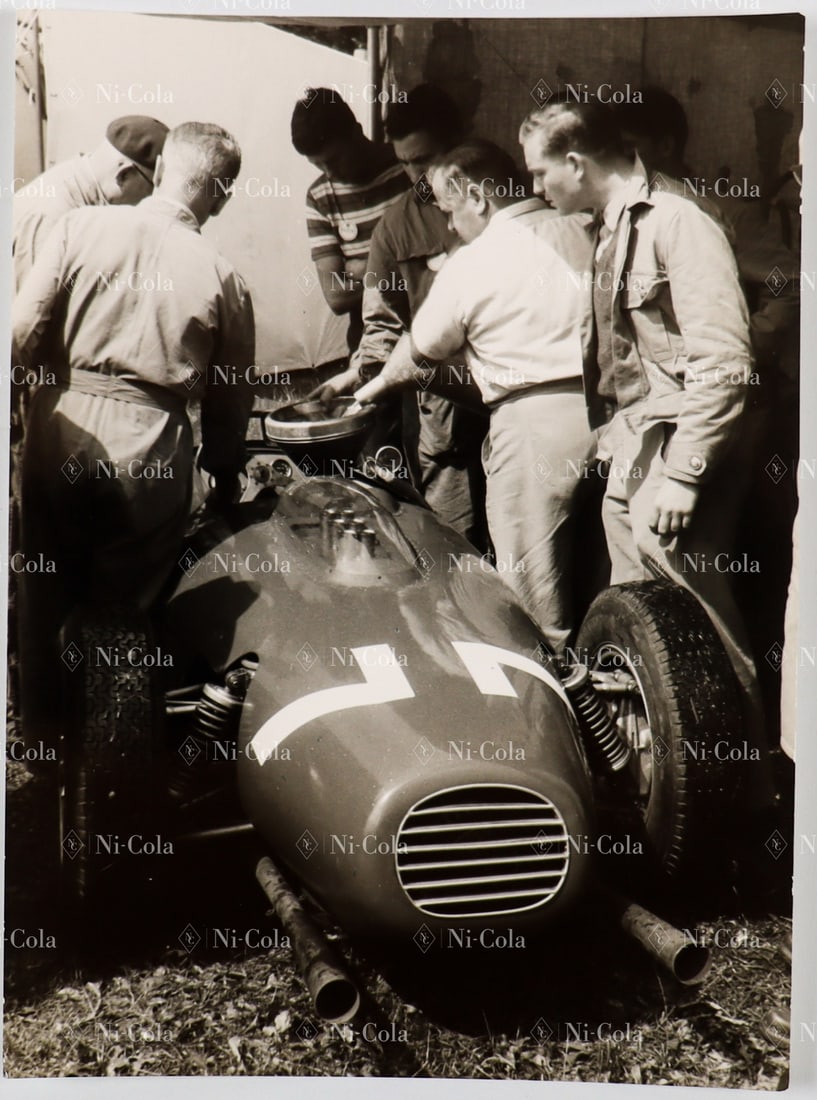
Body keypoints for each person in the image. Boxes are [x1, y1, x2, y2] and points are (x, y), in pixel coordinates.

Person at [519, 99, 771, 786]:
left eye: (540, 171)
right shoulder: (610, 225)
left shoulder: (678, 223)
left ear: (575, 161)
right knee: (644, 629)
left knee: (696, 616)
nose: (536, 187)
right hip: (635, 444)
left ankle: (744, 788)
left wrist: (686, 473)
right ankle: (664, 789)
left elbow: (723, 363)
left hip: (682, 443)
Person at [12, 121, 255, 756]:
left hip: (58, 426)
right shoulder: (224, 275)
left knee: (42, 584)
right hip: (149, 445)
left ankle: (39, 737)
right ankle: (112, 748)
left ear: (163, 168)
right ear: (222, 194)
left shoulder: (77, 227)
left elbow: (23, 328)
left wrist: (32, 403)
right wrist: (224, 469)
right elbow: (231, 398)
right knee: (125, 607)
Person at [353, 140, 596, 654]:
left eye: (450, 211)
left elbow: (420, 350)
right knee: (607, 577)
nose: (449, 228)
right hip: (612, 417)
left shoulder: (477, 258)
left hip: (534, 429)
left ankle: (545, 710)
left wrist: (371, 388)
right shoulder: (587, 229)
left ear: (477, 197)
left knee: (534, 598)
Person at [312, 85, 488, 546]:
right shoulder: (396, 225)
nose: (418, 174)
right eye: (406, 162)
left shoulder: (511, 196)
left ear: (462, 141)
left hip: (516, 396)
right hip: (442, 408)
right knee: (454, 535)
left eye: (427, 158)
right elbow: (382, 323)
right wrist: (358, 381)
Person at [292, 87, 408, 353]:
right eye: (318, 165)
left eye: (334, 159)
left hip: (428, 331)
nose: (329, 173)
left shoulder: (407, 166)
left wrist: (360, 268)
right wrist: (404, 264)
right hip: (370, 345)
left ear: (356, 132)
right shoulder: (319, 197)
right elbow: (336, 296)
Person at [13, 114, 169, 291]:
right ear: (124, 175)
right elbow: (28, 312)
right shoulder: (51, 212)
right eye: (152, 188)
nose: (151, 199)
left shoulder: (81, 188)